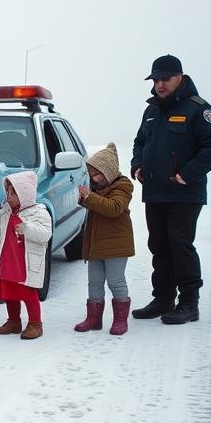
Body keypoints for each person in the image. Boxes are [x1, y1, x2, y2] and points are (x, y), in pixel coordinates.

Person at [130, 55, 211, 324]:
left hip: (184, 193)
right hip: (155, 192)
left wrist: (187, 174)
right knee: (158, 245)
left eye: (165, 79)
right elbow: (139, 142)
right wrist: (137, 165)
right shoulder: (151, 111)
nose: (159, 84)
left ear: (180, 78)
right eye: (155, 80)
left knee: (180, 245)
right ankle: (163, 299)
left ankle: (189, 304)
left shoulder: (198, 109)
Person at [0, 171, 52, 340]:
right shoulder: (5, 212)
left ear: (24, 194)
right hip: (7, 260)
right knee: (9, 291)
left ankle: (35, 323)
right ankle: (14, 321)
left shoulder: (38, 212)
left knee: (28, 292)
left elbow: (45, 234)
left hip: (25, 262)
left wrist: (27, 228)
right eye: (7, 192)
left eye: (13, 193)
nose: (9, 196)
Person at [74, 143, 135, 335]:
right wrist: (83, 197)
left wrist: (89, 197)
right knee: (94, 282)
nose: (94, 178)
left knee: (115, 281)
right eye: (91, 174)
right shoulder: (96, 187)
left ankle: (120, 320)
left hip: (116, 244)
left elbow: (113, 208)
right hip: (96, 244)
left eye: (97, 174)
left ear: (108, 171)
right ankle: (93, 319)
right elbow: (95, 204)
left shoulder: (123, 186)